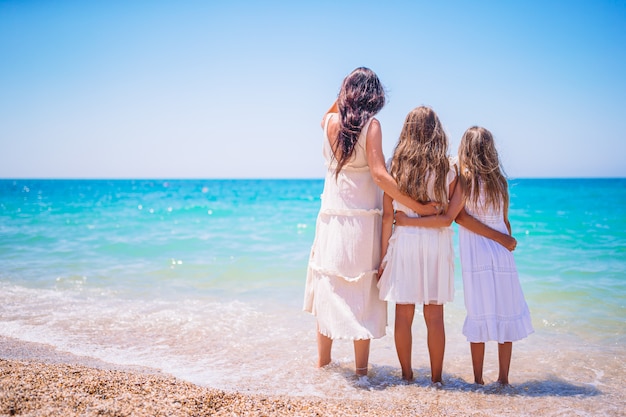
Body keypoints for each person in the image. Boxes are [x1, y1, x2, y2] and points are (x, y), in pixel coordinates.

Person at [303, 68, 437, 377]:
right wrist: (417, 206)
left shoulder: (328, 124)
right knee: (360, 294)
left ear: (346, 92)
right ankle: (361, 373)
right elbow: (379, 175)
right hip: (361, 224)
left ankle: (322, 366)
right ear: (372, 96)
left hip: (331, 222)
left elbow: (329, 111)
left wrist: (343, 95)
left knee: (330, 289)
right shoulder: (371, 126)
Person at [377, 106, 462, 384]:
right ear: (436, 130)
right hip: (436, 243)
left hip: (404, 243)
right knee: (435, 315)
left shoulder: (394, 165)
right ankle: (437, 379)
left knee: (403, 314)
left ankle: (407, 375)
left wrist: (381, 258)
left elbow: (388, 216)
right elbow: (447, 215)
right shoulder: (448, 168)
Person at [455, 126, 534, 386]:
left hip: (477, 255)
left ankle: (478, 380)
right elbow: (505, 223)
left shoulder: (463, 179)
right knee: (504, 314)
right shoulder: (499, 181)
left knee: (478, 313)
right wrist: (503, 239)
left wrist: (502, 238)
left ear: (466, 149)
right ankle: (503, 379)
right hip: (501, 254)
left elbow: (461, 217)